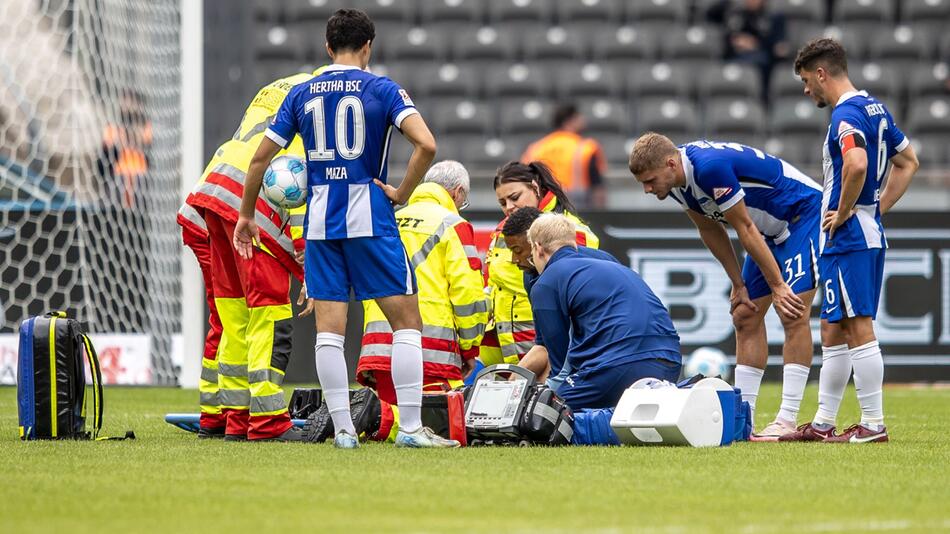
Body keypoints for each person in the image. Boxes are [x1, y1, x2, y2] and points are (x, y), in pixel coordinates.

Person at [233, 8, 458, 449]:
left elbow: (259, 159)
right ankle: (410, 430)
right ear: (369, 46)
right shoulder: (383, 89)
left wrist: (246, 216)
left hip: (320, 222)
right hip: (370, 215)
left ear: (327, 47)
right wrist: (403, 192)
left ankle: (343, 433)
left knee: (329, 333)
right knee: (407, 324)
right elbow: (427, 144)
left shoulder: (302, 93)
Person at [628, 133, 818, 441]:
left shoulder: (709, 168)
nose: (648, 189)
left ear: (671, 163)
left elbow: (743, 227)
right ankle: (745, 418)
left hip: (802, 216)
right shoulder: (676, 183)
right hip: (766, 232)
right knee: (745, 315)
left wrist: (778, 285)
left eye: (650, 181)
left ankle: (787, 419)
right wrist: (738, 284)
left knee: (792, 311)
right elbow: (709, 228)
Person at [781, 38, 919, 443]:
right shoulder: (874, 108)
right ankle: (824, 423)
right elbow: (908, 161)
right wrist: (874, 209)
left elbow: (856, 164)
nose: (807, 90)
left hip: (848, 236)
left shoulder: (844, 116)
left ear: (822, 73)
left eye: (807, 80)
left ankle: (873, 424)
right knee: (832, 327)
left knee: (857, 325)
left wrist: (845, 212)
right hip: (865, 229)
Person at [179, 70, 320, 441]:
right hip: (253, 207)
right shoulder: (320, 103)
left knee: (232, 315)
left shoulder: (276, 86)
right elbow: (302, 189)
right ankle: (268, 421)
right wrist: (308, 262)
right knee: (269, 316)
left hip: (212, 190)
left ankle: (229, 418)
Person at [357, 160, 488, 403]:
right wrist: (470, 348)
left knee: (390, 418)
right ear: (458, 192)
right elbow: (468, 296)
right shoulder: (454, 224)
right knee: (439, 422)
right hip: (431, 349)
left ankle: (373, 417)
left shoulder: (389, 219)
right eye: (463, 200)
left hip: (380, 342)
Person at [521, 214, 682, 411]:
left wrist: (544, 396)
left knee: (543, 413)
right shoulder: (609, 261)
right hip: (671, 361)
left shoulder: (547, 281)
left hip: (619, 367)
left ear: (537, 248)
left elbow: (557, 360)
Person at [482, 161, 600, 368]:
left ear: (535, 188)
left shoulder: (569, 229)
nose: (509, 207)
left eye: (515, 197)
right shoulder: (504, 231)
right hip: (502, 344)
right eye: (502, 202)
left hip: (541, 342)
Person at [501, 206, 619, 392]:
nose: (514, 260)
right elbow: (544, 346)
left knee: (548, 402)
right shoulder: (532, 276)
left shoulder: (548, 280)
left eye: (517, 250)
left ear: (535, 244)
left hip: (606, 356)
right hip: (590, 357)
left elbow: (559, 362)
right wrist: (509, 387)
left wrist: (552, 391)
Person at [522, 104, 607, 209]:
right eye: (578, 117)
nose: (583, 120)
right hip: (577, 208)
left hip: (542, 209)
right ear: (569, 121)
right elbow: (597, 188)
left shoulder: (535, 148)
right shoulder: (586, 148)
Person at [707, 0, 789, 99]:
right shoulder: (736, 15)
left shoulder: (774, 17)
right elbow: (710, 15)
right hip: (735, 59)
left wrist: (756, 44)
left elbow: (780, 49)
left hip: (762, 65)